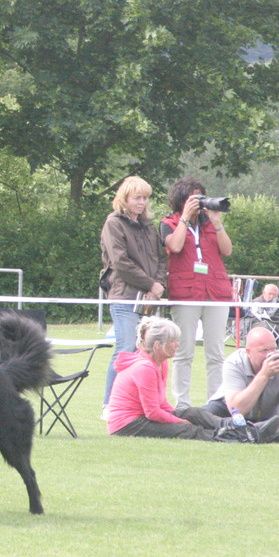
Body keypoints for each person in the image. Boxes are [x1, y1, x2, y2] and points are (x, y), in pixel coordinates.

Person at [159, 177, 232, 410]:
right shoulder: (168, 223)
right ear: (181, 200)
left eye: (201, 197)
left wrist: (217, 222)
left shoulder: (209, 223)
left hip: (215, 292)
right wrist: (185, 218)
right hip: (186, 293)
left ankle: (217, 403)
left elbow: (227, 250)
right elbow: (175, 246)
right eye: (193, 198)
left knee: (216, 354)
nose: (198, 202)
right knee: (183, 352)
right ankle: (182, 404)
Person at [99, 176, 167, 417]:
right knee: (126, 348)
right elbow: (120, 262)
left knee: (147, 352)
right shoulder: (113, 223)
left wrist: (157, 285)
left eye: (145, 198)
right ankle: (109, 405)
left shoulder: (148, 226)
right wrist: (151, 284)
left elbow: (161, 259)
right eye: (137, 197)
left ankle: (139, 404)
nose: (142, 202)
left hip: (148, 298)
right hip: (124, 296)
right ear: (125, 199)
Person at [107, 317, 239, 440]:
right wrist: (179, 421)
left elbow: (161, 403)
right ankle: (232, 437)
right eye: (173, 341)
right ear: (158, 345)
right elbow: (152, 412)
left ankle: (235, 426)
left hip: (143, 417)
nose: (177, 344)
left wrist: (177, 416)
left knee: (194, 413)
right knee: (187, 430)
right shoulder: (144, 368)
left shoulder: (161, 363)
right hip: (128, 424)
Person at [202, 326, 279, 428]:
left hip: (269, 416)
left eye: (273, 349)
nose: (270, 355)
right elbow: (236, 410)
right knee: (198, 417)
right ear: (248, 352)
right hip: (228, 409)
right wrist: (264, 375)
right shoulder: (235, 363)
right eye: (263, 350)